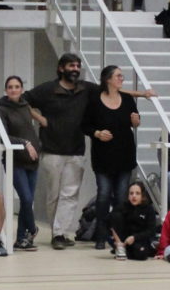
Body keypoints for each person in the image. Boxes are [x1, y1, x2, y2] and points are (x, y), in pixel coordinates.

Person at [26, 51, 92, 248]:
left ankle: (59, 233)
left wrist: (141, 94)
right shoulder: (47, 89)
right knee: (54, 194)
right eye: (71, 66)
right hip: (52, 150)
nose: (75, 69)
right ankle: (57, 232)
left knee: (70, 194)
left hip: (76, 150)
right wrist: (40, 118)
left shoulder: (85, 89)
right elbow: (22, 100)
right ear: (61, 68)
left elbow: (112, 90)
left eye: (77, 66)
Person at [85, 64, 141, 250]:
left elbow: (135, 121)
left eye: (122, 76)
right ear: (108, 79)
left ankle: (118, 235)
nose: (121, 79)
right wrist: (98, 133)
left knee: (121, 198)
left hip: (124, 155)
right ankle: (101, 234)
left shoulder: (127, 99)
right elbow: (85, 125)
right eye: (118, 76)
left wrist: (136, 121)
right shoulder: (95, 100)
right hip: (103, 156)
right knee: (103, 195)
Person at [0, 73, 42, 251]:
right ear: (6, 90)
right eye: (10, 87)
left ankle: (22, 239)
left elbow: (29, 129)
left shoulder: (25, 106)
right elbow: (4, 136)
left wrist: (36, 145)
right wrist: (25, 143)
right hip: (14, 160)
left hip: (32, 161)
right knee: (26, 197)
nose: (13, 90)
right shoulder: (1, 108)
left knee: (27, 202)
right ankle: (33, 228)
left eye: (17, 87)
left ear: (22, 89)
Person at [111, 176, 159, 260]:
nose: (134, 196)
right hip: (124, 239)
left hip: (140, 239)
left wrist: (134, 237)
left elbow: (151, 231)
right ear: (128, 195)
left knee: (141, 255)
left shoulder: (148, 209)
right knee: (114, 217)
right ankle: (121, 248)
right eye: (131, 193)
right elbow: (109, 222)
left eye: (137, 193)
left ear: (142, 195)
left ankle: (127, 251)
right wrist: (118, 241)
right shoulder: (123, 206)